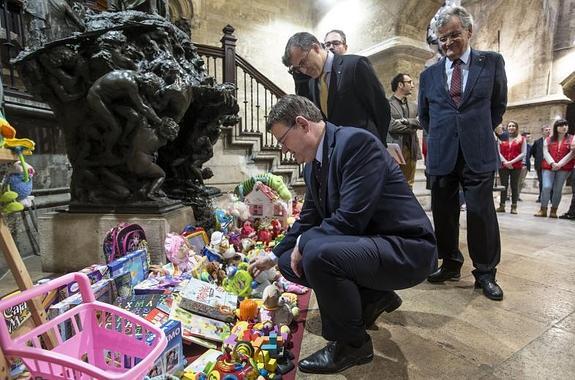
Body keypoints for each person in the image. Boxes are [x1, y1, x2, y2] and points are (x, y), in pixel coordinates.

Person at [249, 95, 437, 374]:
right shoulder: (314, 163)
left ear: (302, 125)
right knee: (290, 260)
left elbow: (351, 218)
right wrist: (274, 255)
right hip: (369, 244)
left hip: (405, 246)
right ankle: (373, 297)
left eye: (283, 140)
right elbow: (309, 218)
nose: (285, 150)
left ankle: (352, 345)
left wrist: (306, 243)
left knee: (316, 254)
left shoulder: (355, 143)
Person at [418, 6, 507, 301]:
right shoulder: (429, 74)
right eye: (442, 38)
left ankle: (485, 273)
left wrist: (476, 131)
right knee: (443, 212)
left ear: (469, 32)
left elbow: (497, 106)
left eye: (454, 35)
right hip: (443, 151)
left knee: (481, 213)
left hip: (477, 150)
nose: (447, 43)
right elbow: (426, 116)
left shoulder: (491, 62)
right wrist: (444, 136)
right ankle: (450, 263)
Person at [282, 32, 390, 143]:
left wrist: (380, 144)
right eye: (298, 68)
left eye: (303, 62)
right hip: (338, 153)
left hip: (366, 147)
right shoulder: (311, 82)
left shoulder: (355, 65)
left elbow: (381, 108)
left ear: (315, 47)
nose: (303, 70)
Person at [534, 119, 574, 218]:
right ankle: (543, 209)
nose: (564, 127)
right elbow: (545, 152)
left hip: (564, 167)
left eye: (565, 125)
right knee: (546, 187)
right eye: (561, 125)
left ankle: (554, 210)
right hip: (548, 166)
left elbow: (572, 153)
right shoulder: (548, 139)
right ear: (556, 128)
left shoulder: (572, 138)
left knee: (558, 189)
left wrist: (560, 164)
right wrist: (552, 163)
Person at [388, 73, 422, 189]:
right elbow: (392, 126)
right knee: (394, 183)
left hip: (411, 149)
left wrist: (406, 121)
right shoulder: (387, 104)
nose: (413, 85)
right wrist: (413, 127)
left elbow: (422, 123)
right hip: (395, 149)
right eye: (410, 82)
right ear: (400, 85)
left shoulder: (414, 106)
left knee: (409, 184)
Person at [496, 121, 526, 214]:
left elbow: (523, 153)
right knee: (503, 186)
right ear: (507, 127)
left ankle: (514, 207)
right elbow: (498, 151)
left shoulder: (521, 139)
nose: (511, 127)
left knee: (514, 186)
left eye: (513, 126)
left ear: (516, 128)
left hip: (516, 165)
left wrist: (511, 162)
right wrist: (505, 161)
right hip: (503, 165)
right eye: (509, 126)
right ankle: (502, 205)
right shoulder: (501, 138)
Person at [529, 125, 551, 202]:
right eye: (546, 130)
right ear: (542, 131)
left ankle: (550, 197)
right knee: (541, 181)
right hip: (540, 165)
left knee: (549, 182)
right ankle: (541, 197)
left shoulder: (552, 141)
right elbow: (533, 152)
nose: (548, 131)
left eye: (549, 130)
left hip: (550, 165)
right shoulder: (537, 142)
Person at [518, 131, 532, 202]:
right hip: (518, 165)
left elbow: (529, 155)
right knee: (514, 181)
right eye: (528, 137)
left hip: (525, 166)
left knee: (521, 182)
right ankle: (509, 195)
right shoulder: (518, 145)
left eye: (530, 137)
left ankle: (517, 195)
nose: (529, 138)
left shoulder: (529, 146)